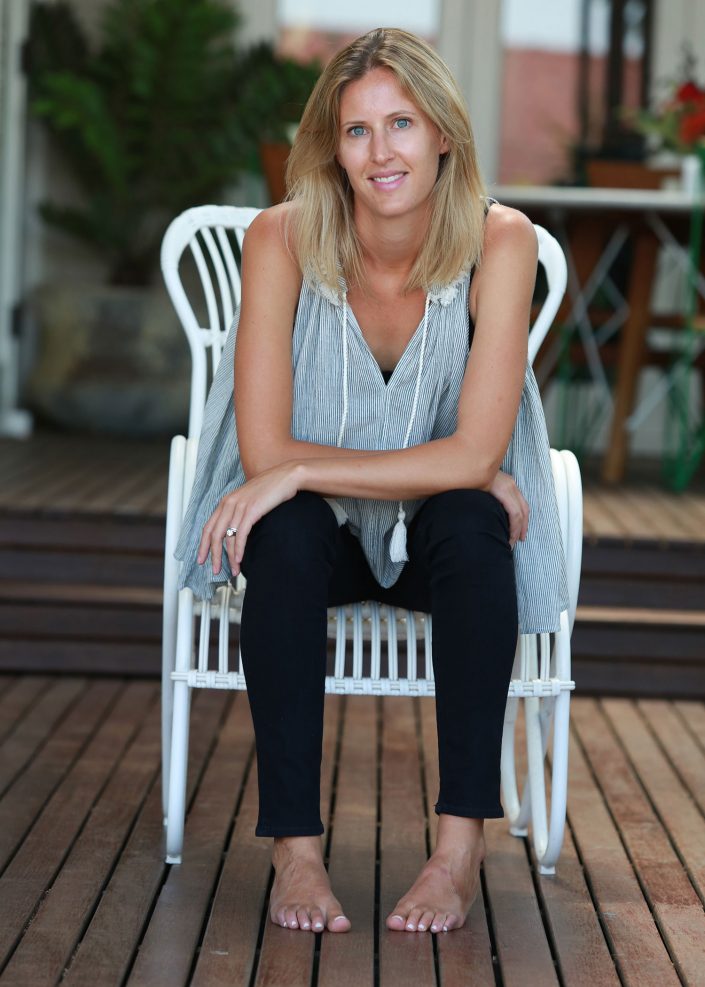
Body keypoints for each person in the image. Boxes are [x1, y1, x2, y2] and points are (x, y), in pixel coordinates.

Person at [175, 27, 567, 936]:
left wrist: (309, 466)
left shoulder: (499, 240)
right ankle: (295, 853)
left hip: (434, 539)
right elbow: (264, 448)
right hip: (323, 543)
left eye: (401, 123)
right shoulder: (279, 237)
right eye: (356, 130)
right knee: (283, 530)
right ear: (332, 145)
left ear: (442, 134)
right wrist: (302, 475)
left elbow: (467, 459)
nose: (380, 152)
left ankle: (456, 850)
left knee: (474, 517)